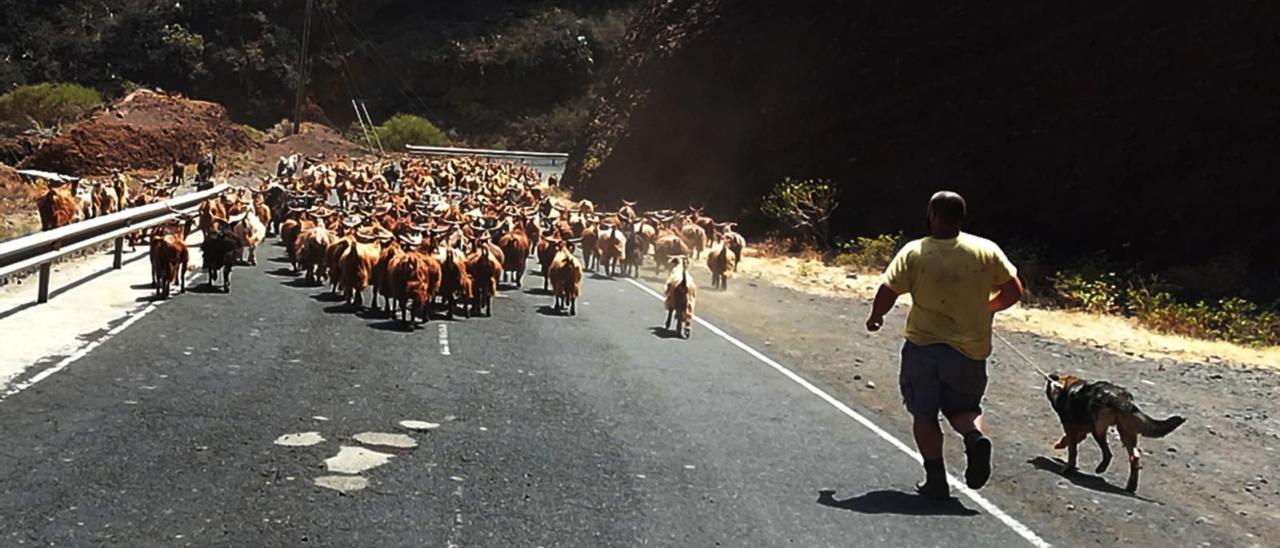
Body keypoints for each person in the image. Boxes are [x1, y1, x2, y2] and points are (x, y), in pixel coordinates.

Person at [865, 190, 1024, 499]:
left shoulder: (915, 251)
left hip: (923, 347)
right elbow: (1014, 291)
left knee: (924, 415)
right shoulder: (986, 250)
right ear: (961, 218)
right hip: (970, 351)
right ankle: (974, 436)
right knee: (964, 408)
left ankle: (936, 481)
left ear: (932, 216)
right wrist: (988, 307)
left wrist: (876, 316)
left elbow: (888, 290)